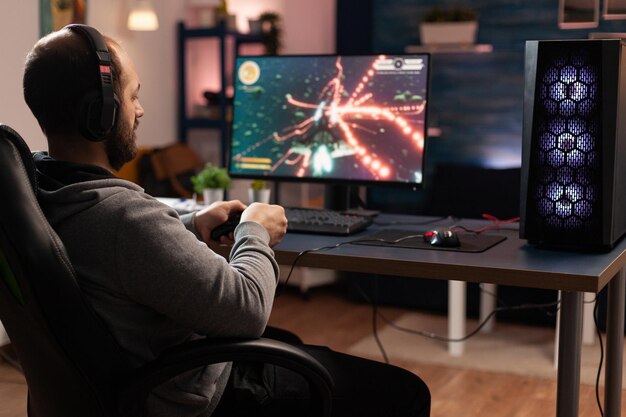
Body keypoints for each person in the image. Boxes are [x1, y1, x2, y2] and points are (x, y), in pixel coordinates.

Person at [22, 25, 431, 417]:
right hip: (191, 398)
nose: (141, 110)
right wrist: (256, 230)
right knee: (406, 392)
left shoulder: (42, 194)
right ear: (102, 113)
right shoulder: (123, 217)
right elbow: (247, 310)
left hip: (131, 384)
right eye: (133, 96)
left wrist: (186, 225)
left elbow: (113, 259)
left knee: (291, 345)